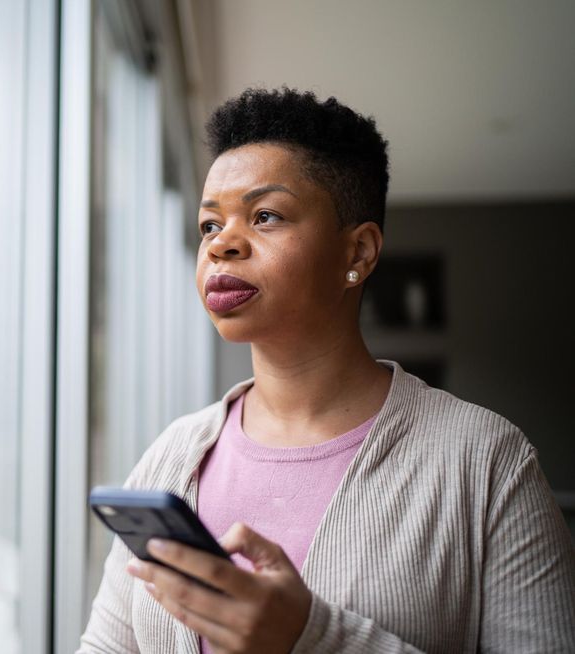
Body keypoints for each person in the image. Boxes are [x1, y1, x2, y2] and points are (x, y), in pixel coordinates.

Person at [78, 88, 575, 653]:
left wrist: (309, 638)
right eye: (209, 225)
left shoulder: (486, 462)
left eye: (265, 216)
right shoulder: (172, 457)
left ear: (358, 253)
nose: (222, 246)